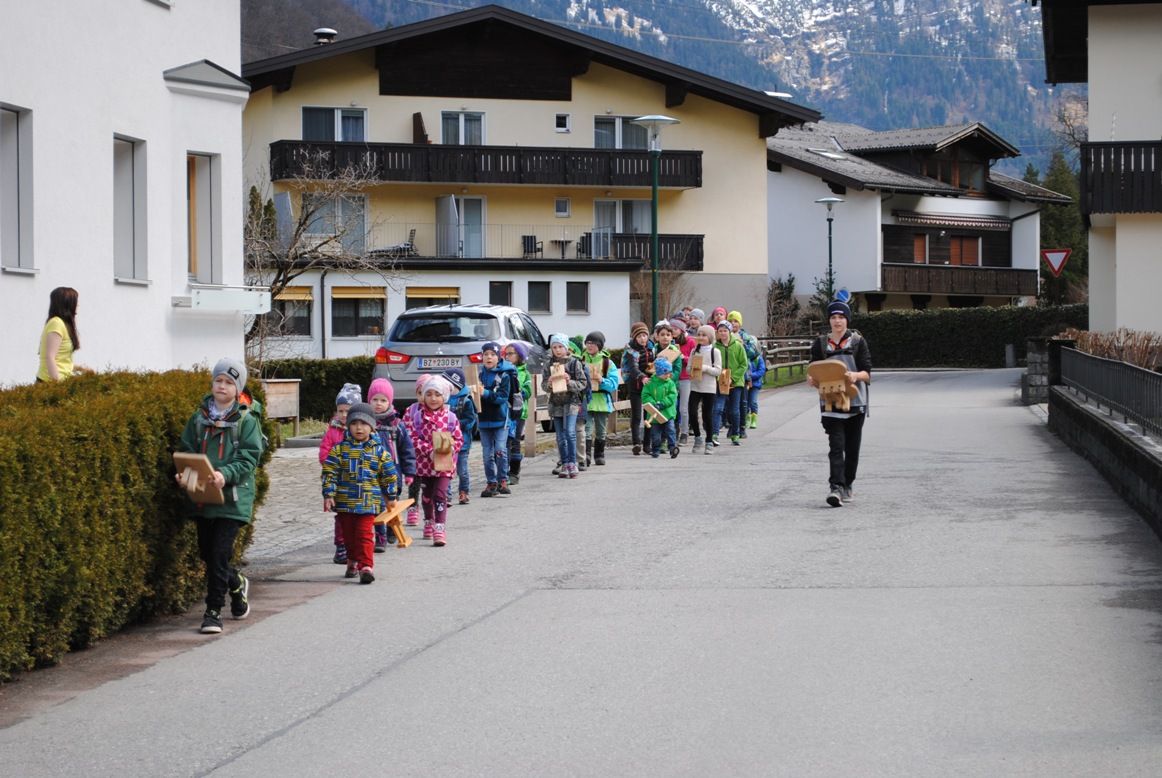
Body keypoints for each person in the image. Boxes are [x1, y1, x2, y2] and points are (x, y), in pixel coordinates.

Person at [176, 358, 263, 634]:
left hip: (233, 499)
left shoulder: (246, 420)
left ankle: (213, 612)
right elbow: (186, 449)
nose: (222, 386)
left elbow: (249, 457)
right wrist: (184, 473)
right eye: (218, 380)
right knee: (208, 553)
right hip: (204, 496)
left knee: (218, 552)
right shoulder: (198, 418)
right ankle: (237, 584)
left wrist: (225, 474)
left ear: (238, 389)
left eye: (229, 382)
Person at [322, 402, 397, 581]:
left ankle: (366, 567)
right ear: (348, 426)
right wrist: (329, 494)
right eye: (354, 423)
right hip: (345, 502)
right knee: (348, 536)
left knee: (364, 535)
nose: (359, 428)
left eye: (363, 424)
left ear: (372, 427)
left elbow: (388, 474)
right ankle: (352, 560)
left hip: (368, 503)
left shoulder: (379, 452)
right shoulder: (339, 450)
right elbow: (329, 472)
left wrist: (390, 495)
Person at [807, 299, 871, 507]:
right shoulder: (820, 343)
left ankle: (847, 484)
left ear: (847, 320)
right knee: (836, 447)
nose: (837, 321)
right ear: (829, 320)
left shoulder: (858, 342)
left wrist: (855, 375)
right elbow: (813, 369)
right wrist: (812, 380)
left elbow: (867, 373)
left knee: (851, 449)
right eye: (834, 317)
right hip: (830, 403)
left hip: (855, 403)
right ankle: (835, 488)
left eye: (841, 317)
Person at [403, 376, 463, 545]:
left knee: (440, 494)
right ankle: (429, 520)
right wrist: (428, 450)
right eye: (428, 394)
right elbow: (411, 438)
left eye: (437, 394)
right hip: (424, 464)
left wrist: (451, 448)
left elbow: (459, 439)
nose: (433, 398)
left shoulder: (450, 417)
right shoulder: (417, 416)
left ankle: (440, 527)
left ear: (444, 396)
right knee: (427, 495)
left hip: (444, 465)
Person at [368, 378, 414, 550]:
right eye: (375, 399)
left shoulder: (397, 425)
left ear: (390, 402)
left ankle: (390, 529)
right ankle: (380, 539)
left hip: (393, 473)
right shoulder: (365, 423)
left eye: (383, 400)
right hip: (372, 475)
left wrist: (409, 472)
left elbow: (407, 450)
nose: (378, 404)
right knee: (378, 505)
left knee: (391, 504)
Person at [319, 383, 362, 564]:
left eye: (348, 411)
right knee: (341, 516)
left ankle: (359, 546)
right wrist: (334, 463)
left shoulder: (360, 430)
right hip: (338, 480)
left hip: (358, 481)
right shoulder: (333, 430)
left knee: (359, 516)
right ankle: (341, 546)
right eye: (340, 411)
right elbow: (324, 452)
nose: (344, 415)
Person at [542, 333, 587, 478]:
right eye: (554, 347)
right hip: (556, 403)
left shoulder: (574, 363)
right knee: (560, 436)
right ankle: (565, 463)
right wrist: (549, 383)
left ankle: (573, 463)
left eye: (560, 347)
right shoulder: (548, 364)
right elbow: (544, 385)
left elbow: (583, 383)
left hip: (572, 402)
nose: (557, 350)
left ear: (566, 348)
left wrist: (569, 381)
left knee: (570, 432)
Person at [477, 341, 516, 497]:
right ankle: (491, 482)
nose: (489, 357)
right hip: (483, 420)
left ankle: (502, 480)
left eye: (493, 354)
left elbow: (502, 397)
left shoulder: (504, 376)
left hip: (500, 419)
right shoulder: (479, 376)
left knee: (500, 450)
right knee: (487, 454)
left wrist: (485, 393)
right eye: (486, 354)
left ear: (498, 357)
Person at [579, 331, 620, 467]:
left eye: (593, 343)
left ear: (600, 345)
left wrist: (601, 380)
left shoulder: (607, 362)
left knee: (601, 431)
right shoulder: (580, 360)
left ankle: (599, 454)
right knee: (587, 430)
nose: (590, 346)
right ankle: (586, 455)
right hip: (586, 400)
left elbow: (613, 384)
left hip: (602, 401)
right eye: (588, 343)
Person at [442, 368, 478, 505]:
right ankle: (446, 495)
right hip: (445, 441)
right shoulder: (441, 399)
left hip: (462, 441)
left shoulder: (466, 400)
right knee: (445, 469)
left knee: (462, 470)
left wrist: (455, 424)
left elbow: (471, 420)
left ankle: (464, 491)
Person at [687, 324, 723, 455]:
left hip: (709, 387)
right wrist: (692, 370)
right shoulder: (694, 351)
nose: (701, 337)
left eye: (704, 335)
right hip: (695, 386)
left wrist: (705, 368)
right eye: (699, 335)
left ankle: (709, 441)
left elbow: (718, 371)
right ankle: (697, 437)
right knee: (692, 412)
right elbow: (688, 368)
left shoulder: (715, 352)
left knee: (707, 415)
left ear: (710, 337)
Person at [620, 322, 654, 456]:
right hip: (635, 384)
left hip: (649, 385)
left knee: (649, 415)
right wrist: (642, 377)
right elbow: (633, 368)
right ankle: (636, 443)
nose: (642, 338)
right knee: (637, 415)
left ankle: (647, 444)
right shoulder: (630, 350)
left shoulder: (652, 347)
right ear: (634, 338)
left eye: (644, 335)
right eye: (639, 336)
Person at [728, 311, 764, 434]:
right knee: (729, 402)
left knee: (743, 402)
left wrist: (744, 345)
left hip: (743, 372)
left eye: (735, 321)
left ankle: (742, 427)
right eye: (730, 321)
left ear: (740, 323)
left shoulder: (746, 337)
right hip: (729, 372)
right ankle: (732, 426)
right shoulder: (725, 335)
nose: (733, 324)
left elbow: (753, 353)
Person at [37, 286, 81, 382]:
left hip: (63, 380)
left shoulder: (65, 324)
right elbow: (50, 357)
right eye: (75, 302)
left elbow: (62, 360)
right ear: (67, 304)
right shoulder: (56, 323)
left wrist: (81, 369)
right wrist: (56, 384)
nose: (78, 305)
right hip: (49, 383)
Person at [714, 321, 748, 445]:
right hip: (720, 382)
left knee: (734, 410)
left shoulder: (738, 346)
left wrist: (733, 378)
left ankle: (735, 433)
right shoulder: (715, 347)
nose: (723, 333)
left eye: (725, 331)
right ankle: (714, 434)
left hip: (736, 383)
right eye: (720, 331)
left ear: (729, 332)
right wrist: (719, 377)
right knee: (718, 408)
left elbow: (743, 364)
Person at [503, 343, 532, 484]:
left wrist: (518, 390)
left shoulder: (524, 373)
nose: (508, 356)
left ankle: (514, 473)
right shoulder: (502, 371)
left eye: (511, 353)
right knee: (504, 442)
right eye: (506, 354)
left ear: (519, 356)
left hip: (519, 412)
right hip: (504, 412)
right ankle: (503, 472)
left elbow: (528, 391)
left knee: (515, 441)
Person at [641, 357, 679, 458]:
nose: (668, 375)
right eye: (666, 373)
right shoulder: (650, 383)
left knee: (670, 430)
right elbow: (645, 395)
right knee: (655, 434)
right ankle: (655, 449)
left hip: (668, 413)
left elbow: (672, 395)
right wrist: (653, 404)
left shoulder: (670, 383)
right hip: (654, 414)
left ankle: (672, 448)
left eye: (669, 373)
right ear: (659, 373)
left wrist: (662, 403)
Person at [672, 315, 697, 445]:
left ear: (681, 330)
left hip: (686, 378)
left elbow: (695, 360)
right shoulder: (670, 342)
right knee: (673, 407)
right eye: (671, 328)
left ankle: (684, 433)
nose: (673, 331)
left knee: (683, 408)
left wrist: (683, 357)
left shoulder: (690, 342)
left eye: (675, 328)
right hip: (672, 378)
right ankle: (673, 431)